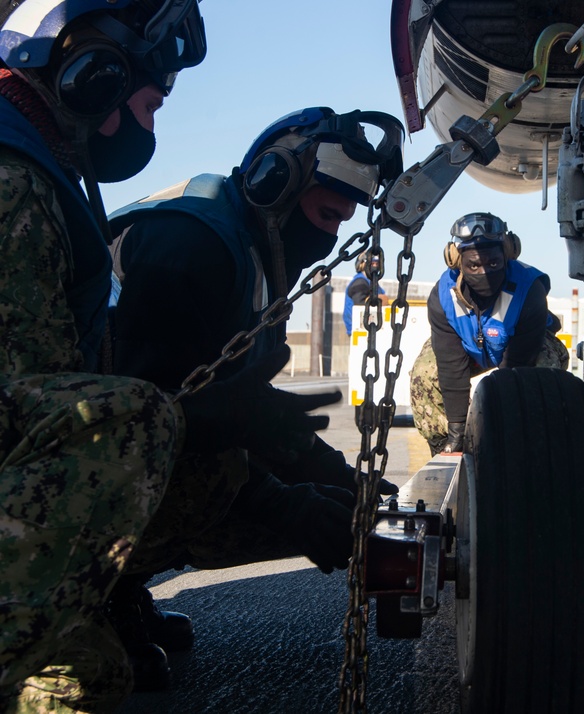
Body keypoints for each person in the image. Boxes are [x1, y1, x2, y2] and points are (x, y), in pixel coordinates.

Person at [0, 1, 340, 711]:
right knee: (128, 424)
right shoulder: (21, 185)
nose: (154, 126)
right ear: (94, 79)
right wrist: (283, 497)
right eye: (152, 103)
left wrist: (321, 488)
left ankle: (97, 604)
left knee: (88, 677)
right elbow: (47, 416)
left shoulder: (48, 171)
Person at [106, 107, 403, 687]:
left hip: (123, 442)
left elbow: (240, 408)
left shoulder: (249, 249)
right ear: (276, 184)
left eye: (341, 223)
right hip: (68, 453)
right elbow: (156, 425)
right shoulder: (189, 248)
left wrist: (344, 479)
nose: (329, 237)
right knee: (219, 485)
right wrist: (286, 506)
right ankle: (87, 597)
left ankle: (116, 587)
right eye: (324, 215)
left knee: (315, 496)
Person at [410, 212, 569, 455]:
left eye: (493, 263)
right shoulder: (443, 296)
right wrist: (457, 429)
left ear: (507, 255)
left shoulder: (529, 289)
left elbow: (516, 367)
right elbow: (451, 365)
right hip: (470, 349)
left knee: (542, 372)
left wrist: (499, 427)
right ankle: (446, 446)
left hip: (522, 353)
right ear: (457, 261)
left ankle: (535, 445)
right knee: (425, 372)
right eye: (473, 265)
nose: (483, 271)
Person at [343, 248, 386, 336]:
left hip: (371, 328)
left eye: (377, 263)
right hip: (359, 330)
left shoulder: (373, 283)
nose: (375, 266)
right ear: (363, 264)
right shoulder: (360, 282)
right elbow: (360, 306)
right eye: (372, 263)